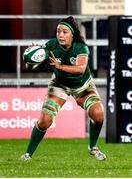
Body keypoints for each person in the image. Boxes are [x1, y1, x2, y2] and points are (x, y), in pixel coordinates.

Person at [21, 16, 106, 161]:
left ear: (72, 34)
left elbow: (80, 69)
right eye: (58, 31)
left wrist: (60, 66)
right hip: (59, 84)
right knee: (45, 120)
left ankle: (93, 147)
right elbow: (36, 61)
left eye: (65, 32)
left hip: (82, 85)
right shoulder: (52, 45)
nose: (60, 34)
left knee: (98, 114)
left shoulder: (81, 47)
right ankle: (27, 154)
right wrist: (35, 55)